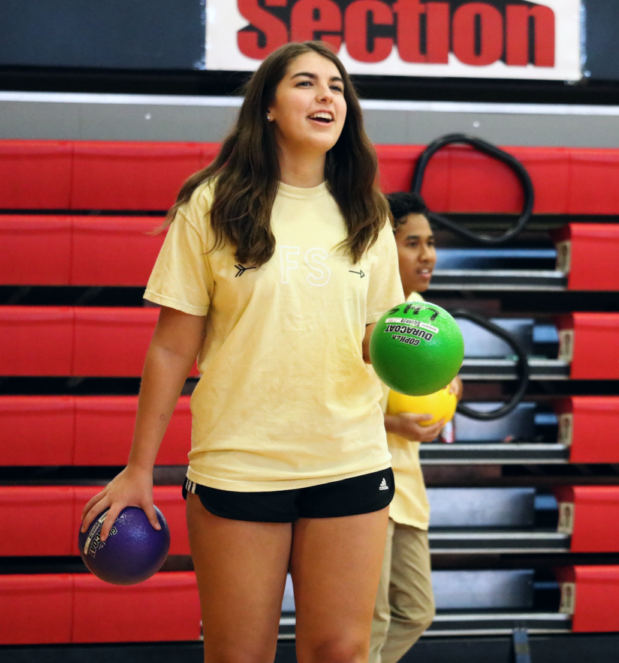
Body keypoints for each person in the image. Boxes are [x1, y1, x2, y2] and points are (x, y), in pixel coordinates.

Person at [80, 41, 404, 663]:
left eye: (336, 87)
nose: (326, 97)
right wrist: (140, 468)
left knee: (341, 650)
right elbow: (173, 348)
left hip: (349, 458)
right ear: (270, 109)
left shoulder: (369, 212)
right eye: (306, 84)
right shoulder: (212, 203)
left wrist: (420, 350)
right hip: (240, 462)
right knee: (237, 655)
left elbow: (374, 340)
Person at [369, 192, 462, 663]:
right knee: (372, 621)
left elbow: (433, 386)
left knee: (416, 610)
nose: (427, 255)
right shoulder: (364, 311)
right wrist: (391, 421)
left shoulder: (424, 312)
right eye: (412, 243)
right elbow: (327, 403)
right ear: (384, 247)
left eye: (430, 242)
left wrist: (448, 393)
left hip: (407, 485)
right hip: (361, 484)